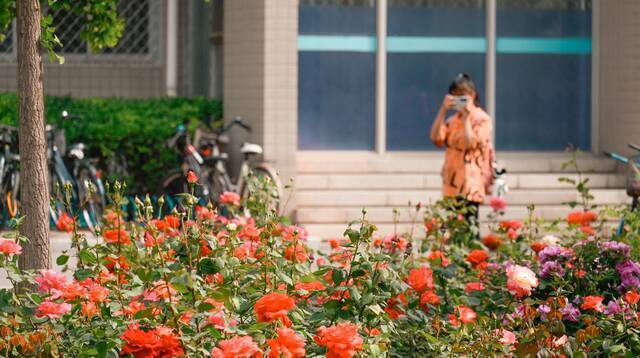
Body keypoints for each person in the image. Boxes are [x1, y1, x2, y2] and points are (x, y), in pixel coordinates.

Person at [429, 73, 494, 222]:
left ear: (473, 94)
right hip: (452, 181)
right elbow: (436, 138)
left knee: (469, 227)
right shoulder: (453, 120)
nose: (459, 99)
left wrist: (466, 120)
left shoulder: (482, 119)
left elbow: (469, 144)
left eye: (462, 95)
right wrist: (443, 110)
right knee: (452, 228)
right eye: (455, 95)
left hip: (471, 181)